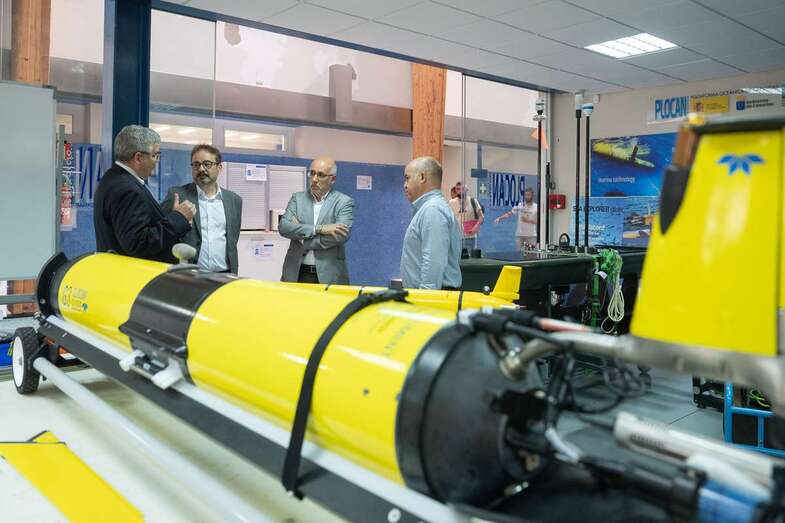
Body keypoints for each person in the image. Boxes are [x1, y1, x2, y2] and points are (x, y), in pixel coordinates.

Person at [94, 125, 195, 263]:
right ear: (138, 157)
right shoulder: (128, 190)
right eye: (155, 155)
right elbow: (138, 244)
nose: (157, 162)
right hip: (135, 274)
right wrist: (178, 218)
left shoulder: (112, 178)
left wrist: (171, 217)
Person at [161, 144, 243, 273]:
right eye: (196, 165)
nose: (201, 169)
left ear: (219, 168)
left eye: (207, 164)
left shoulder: (234, 200)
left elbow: (233, 238)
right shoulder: (177, 196)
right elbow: (161, 234)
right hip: (189, 274)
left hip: (225, 274)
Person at [279, 156, 354, 284]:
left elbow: (340, 236)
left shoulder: (344, 202)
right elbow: (284, 227)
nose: (314, 179)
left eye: (321, 175)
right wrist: (319, 229)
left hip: (329, 275)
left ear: (332, 179)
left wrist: (302, 238)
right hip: (296, 272)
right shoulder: (297, 199)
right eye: (312, 173)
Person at [400, 156, 462, 290]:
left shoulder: (432, 210)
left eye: (407, 178)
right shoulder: (429, 209)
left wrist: (425, 297)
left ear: (422, 177)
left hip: (431, 297)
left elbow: (434, 261)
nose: (404, 185)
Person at [495, 186, 537, 250]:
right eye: (525, 195)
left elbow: (539, 222)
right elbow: (509, 213)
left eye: (528, 195)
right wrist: (499, 218)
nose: (526, 197)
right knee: (519, 253)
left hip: (531, 235)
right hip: (519, 235)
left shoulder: (536, 207)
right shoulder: (520, 205)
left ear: (532, 196)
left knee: (531, 254)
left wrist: (528, 220)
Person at [448, 182, 484, 251]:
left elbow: (481, 216)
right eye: (458, 189)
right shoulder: (451, 203)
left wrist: (476, 226)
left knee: (470, 257)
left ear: (466, 189)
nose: (460, 191)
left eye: (462, 189)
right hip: (456, 237)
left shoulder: (473, 201)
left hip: (470, 237)